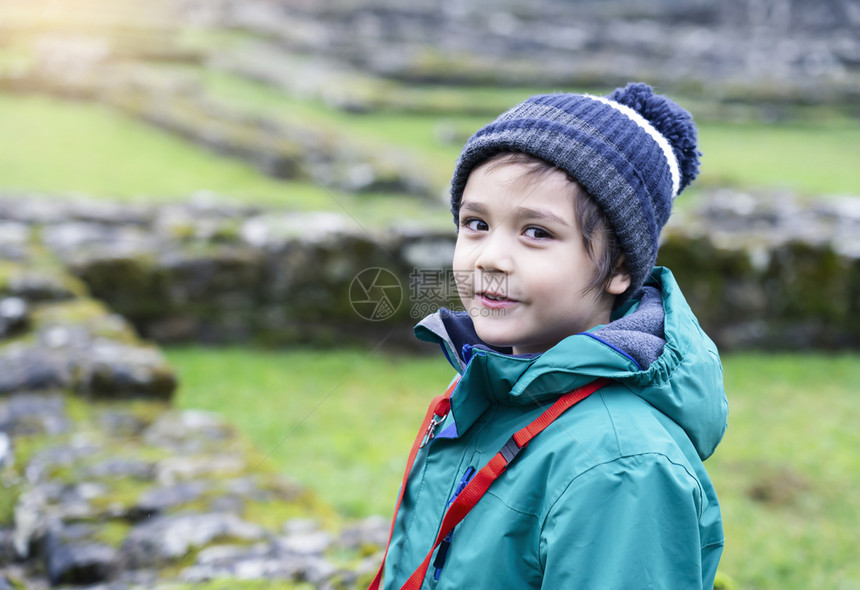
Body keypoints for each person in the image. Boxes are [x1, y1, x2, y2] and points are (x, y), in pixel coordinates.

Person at [373, 83, 728, 589]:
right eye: (475, 223)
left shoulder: (622, 466)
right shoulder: (486, 387)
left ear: (620, 268)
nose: (489, 257)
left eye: (536, 232)